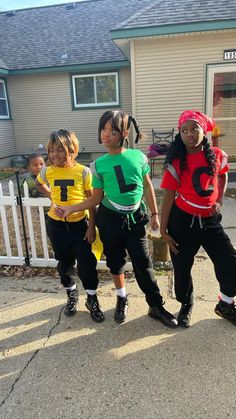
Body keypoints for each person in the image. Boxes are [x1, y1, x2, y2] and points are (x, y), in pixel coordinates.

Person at [54, 110, 178, 328]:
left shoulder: (138, 157)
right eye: (103, 129)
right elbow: (96, 198)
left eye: (113, 130)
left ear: (125, 132)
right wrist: (71, 207)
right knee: (116, 262)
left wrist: (155, 213)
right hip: (110, 219)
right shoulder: (98, 165)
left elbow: (147, 185)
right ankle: (122, 297)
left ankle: (155, 305)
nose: (106, 134)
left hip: (135, 218)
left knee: (143, 262)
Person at [160, 110, 236, 327]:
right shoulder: (177, 162)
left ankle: (226, 304)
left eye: (194, 129)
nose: (189, 134)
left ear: (204, 130)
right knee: (182, 267)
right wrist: (164, 231)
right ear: (180, 134)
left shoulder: (217, 155)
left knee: (229, 262)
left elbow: (222, 175)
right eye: (184, 130)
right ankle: (186, 304)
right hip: (183, 221)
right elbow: (168, 199)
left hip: (210, 221)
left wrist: (219, 201)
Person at [35, 129, 104, 323]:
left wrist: (91, 226)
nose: (55, 155)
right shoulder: (48, 170)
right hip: (56, 226)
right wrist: (51, 196)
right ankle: (71, 295)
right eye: (51, 150)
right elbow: (39, 183)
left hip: (79, 227)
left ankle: (92, 298)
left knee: (87, 265)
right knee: (64, 264)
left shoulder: (83, 171)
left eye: (60, 150)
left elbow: (91, 200)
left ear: (72, 150)